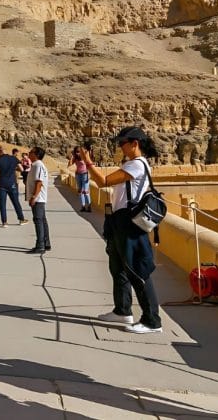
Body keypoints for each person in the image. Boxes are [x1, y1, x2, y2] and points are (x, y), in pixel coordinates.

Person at [81, 126, 162, 334]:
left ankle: (152, 320)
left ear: (134, 144)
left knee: (137, 271)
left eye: (122, 143)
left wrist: (87, 161)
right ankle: (122, 310)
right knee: (118, 267)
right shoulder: (129, 164)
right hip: (118, 220)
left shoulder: (136, 165)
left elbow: (103, 181)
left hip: (129, 223)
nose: (120, 147)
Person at [0, 146, 28, 228]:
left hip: (2, 184)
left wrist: (2, 170)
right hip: (12, 183)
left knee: (2, 203)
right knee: (16, 202)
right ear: (5, 150)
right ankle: (21, 219)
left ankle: (4, 222)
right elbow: (22, 169)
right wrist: (13, 168)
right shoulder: (13, 158)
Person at [26, 147, 50, 253]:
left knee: (38, 220)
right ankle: (46, 243)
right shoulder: (36, 165)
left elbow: (39, 183)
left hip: (38, 198)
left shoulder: (38, 165)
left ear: (36, 154)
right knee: (42, 220)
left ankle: (40, 245)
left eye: (30, 152)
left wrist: (33, 197)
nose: (28, 153)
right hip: (39, 198)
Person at [68, 147, 92, 212]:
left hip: (85, 175)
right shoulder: (75, 158)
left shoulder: (85, 158)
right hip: (78, 175)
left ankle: (89, 206)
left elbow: (90, 166)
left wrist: (89, 175)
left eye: (79, 152)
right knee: (80, 191)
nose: (77, 153)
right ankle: (83, 206)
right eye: (76, 152)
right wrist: (71, 157)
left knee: (85, 191)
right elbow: (69, 165)